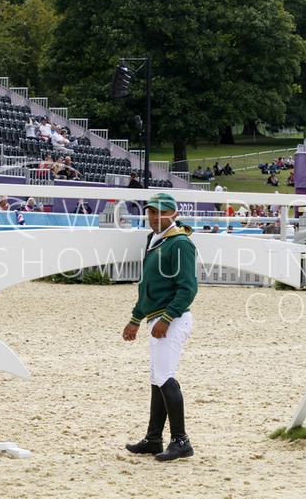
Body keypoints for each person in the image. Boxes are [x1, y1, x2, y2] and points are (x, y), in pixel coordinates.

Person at [123, 193, 196, 461]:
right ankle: (154, 438)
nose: (155, 217)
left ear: (174, 215)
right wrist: (135, 318)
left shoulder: (180, 243)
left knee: (165, 376)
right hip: (157, 317)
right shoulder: (154, 240)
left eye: (161, 212)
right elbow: (147, 287)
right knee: (157, 379)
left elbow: (188, 287)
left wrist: (167, 318)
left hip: (172, 320)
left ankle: (181, 440)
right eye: (151, 212)